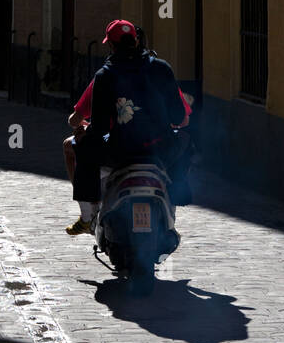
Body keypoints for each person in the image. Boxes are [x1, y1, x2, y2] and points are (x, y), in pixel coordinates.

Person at [65, 20, 192, 235]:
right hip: (160, 149)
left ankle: (89, 214)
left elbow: (101, 126)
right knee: (186, 140)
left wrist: (87, 131)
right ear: (136, 40)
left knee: (80, 146)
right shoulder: (161, 68)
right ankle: (176, 196)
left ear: (111, 46)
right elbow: (180, 117)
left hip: (121, 152)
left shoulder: (105, 75)